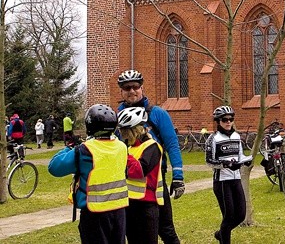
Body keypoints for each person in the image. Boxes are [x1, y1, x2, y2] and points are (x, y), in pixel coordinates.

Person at [116, 69, 184, 244]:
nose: (132, 91)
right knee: (132, 233)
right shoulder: (116, 117)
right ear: (121, 91)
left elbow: (172, 144)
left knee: (166, 229)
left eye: (135, 86)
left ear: (142, 87)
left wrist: (178, 176)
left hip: (156, 182)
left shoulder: (157, 114)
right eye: (127, 87)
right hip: (128, 184)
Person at [48, 104, 128, 244]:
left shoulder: (85, 150)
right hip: (119, 211)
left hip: (94, 213)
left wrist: (69, 148)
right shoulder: (122, 147)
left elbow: (54, 167)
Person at [205, 106, 252, 244]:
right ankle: (224, 239)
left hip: (236, 179)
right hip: (222, 181)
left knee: (241, 214)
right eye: (225, 119)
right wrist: (225, 164)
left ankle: (221, 233)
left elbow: (240, 156)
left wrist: (245, 161)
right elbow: (209, 161)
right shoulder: (213, 138)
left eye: (231, 119)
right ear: (218, 121)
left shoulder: (237, 136)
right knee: (229, 216)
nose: (228, 122)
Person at [117, 106, 164, 244]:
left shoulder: (152, 147)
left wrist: (124, 154)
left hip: (146, 205)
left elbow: (139, 171)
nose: (123, 136)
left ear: (135, 131)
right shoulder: (131, 148)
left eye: (125, 132)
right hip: (129, 204)